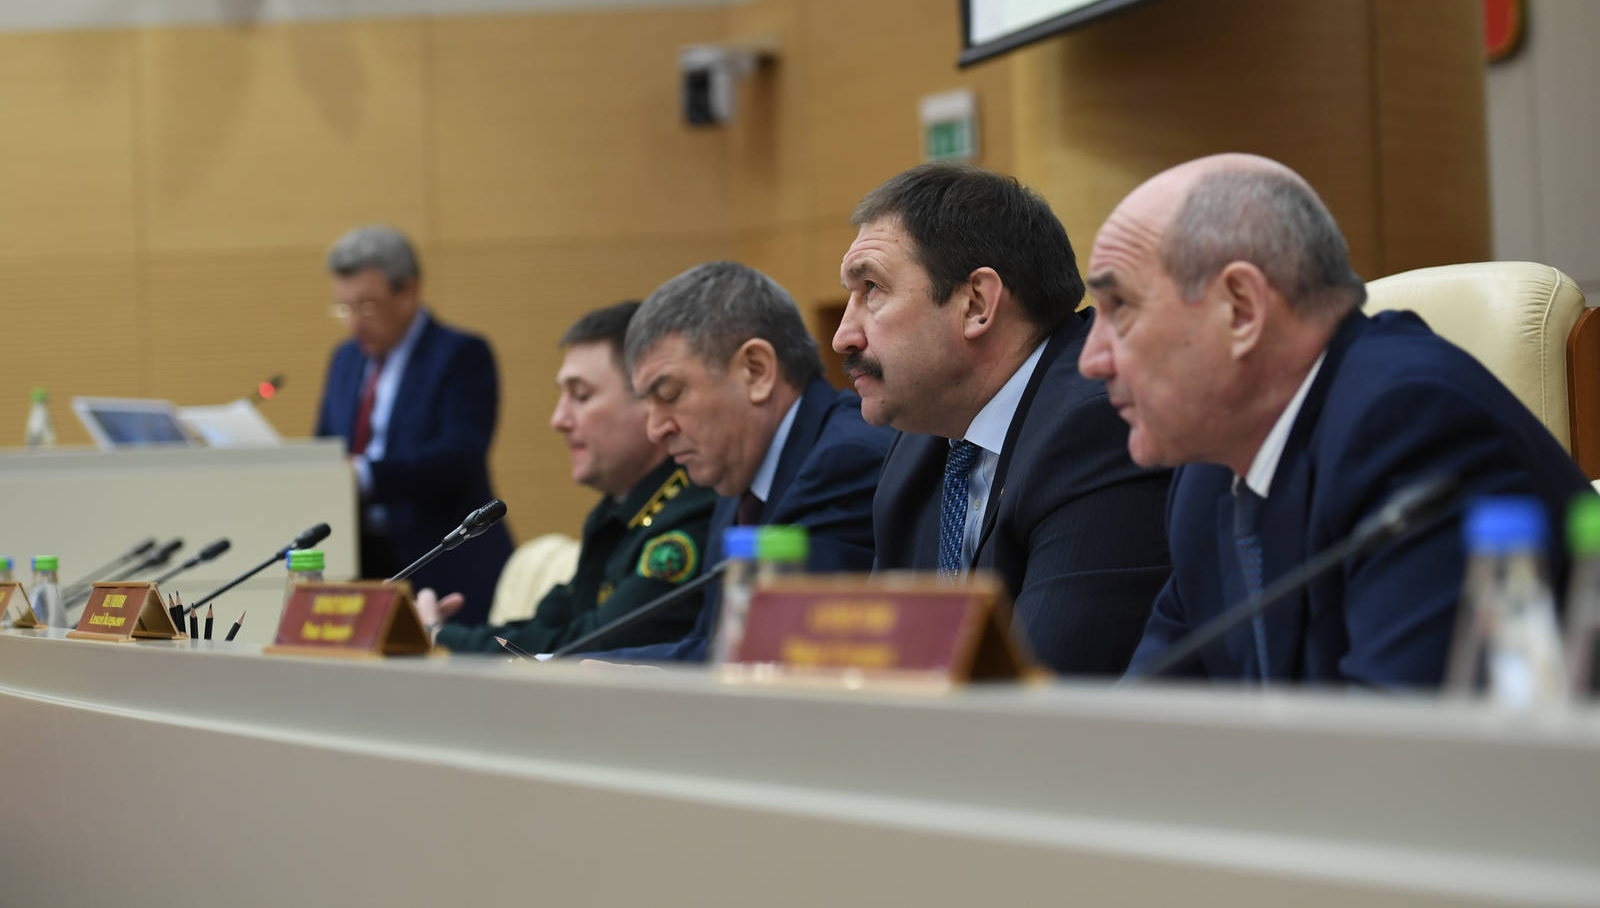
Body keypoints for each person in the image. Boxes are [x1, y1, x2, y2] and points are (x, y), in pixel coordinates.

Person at [1078, 153, 1592, 686]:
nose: (1092, 360)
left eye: (1120, 308)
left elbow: (1400, 728)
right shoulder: (1207, 475)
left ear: (1241, 309)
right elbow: (1146, 712)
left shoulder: (1414, 426)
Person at [834, 163, 1172, 675]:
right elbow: (879, 666)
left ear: (976, 304)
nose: (843, 337)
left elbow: (1040, 689)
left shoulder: (1099, 425)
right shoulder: (920, 445)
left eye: (872, 289)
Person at [593, 261, 895, 664]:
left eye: (669, 394)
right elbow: (715, 641)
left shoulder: (845, 462)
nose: (655, 429)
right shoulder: (737, 474)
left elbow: (777, 653)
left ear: (756, 371)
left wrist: (595, 672)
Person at [423, 302, 717, 654]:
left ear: (649, 400)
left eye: (581, 396)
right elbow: (548, 627)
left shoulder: (692, 512)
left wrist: (441, 638)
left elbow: (588, 646)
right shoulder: (614, 511)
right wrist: (441, 634)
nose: (558, 420)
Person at [315, 226, 512, 626]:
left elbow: (458, 457)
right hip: (361, 562)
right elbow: (326, 446)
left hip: (444, 560)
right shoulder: (344, 360)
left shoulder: (461, 355)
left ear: (408, 291)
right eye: (344, 307)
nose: (353, 323)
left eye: (366, 306)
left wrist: (364, 476)